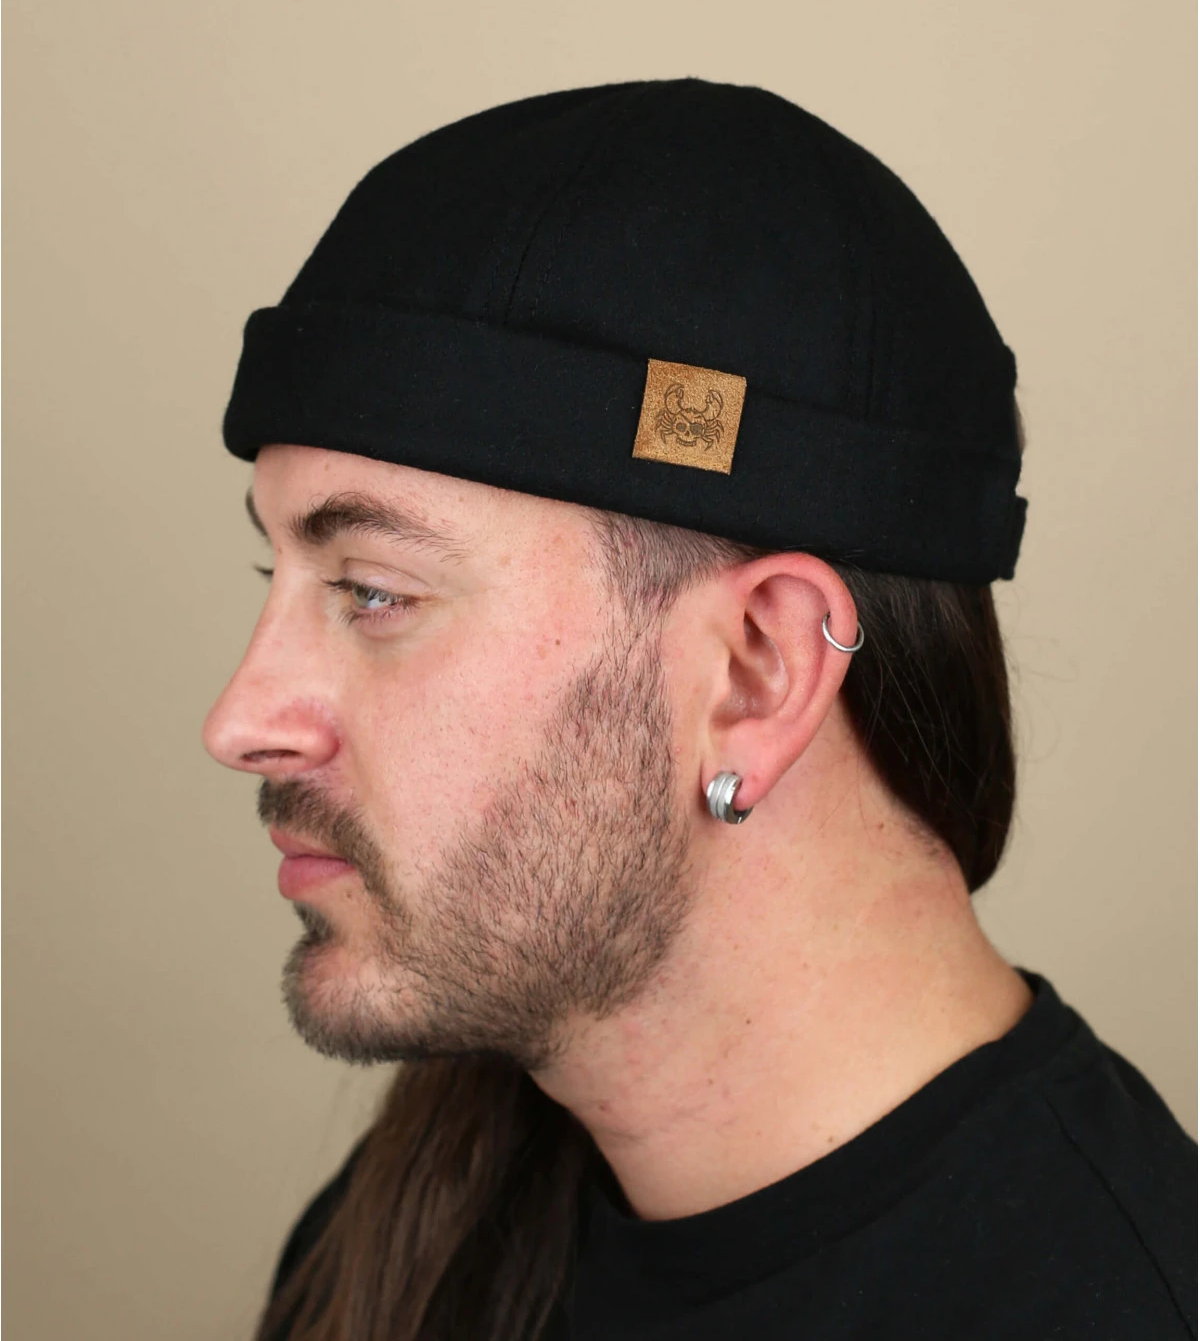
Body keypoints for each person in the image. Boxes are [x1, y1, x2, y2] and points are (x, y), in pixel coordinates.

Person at [202, 78, 1196, 1341]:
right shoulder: (416, 1231)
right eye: (277, 575)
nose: (242, 718)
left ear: (757, 671)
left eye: (374, 592)